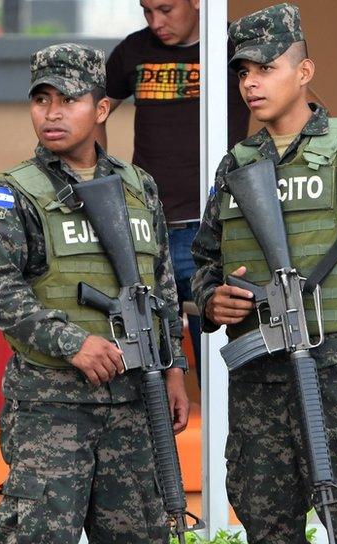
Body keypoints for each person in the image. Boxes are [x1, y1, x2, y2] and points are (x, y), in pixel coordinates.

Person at [191, 4, 337, 544]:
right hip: (259, 381)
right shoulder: (236, 164)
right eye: (242, 72)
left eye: (266, 68)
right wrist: (210, 299)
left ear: (304, 71)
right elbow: (205, 260)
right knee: (267, 523)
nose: (251, 83)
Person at [0, 43, 189, 544]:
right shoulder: (13, 193)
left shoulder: (139, 187)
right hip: (52, 406)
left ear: (100, 109)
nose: (52, 113)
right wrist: (72, 343)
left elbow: (160, 285)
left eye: (68, 100)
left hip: (137, 402)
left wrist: (175, 367)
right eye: (41, 99)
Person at [105, 0, 251, 379]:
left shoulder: (235, 45)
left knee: (219, 369)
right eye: (147, 11)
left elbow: (288, 101)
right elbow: (92, 109)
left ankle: (219, 440)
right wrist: (102, 179)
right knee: (147, 362)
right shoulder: (134, 51)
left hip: (213, 227)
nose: (157, 22)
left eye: (166, 9)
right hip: (147, 230)